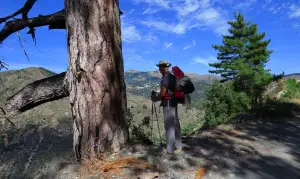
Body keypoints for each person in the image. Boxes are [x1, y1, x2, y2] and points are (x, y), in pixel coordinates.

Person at [151, 60, 183, 154]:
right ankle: (179, 147)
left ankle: (170, 150)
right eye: (160, 67)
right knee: (176, 125)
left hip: (168, 103)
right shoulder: (172, 77)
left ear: (166, 67)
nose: (160, 69)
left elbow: (163, 93)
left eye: (162, 67)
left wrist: (155, 98)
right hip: (174, 102)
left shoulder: (166, 77)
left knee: (169, 126)